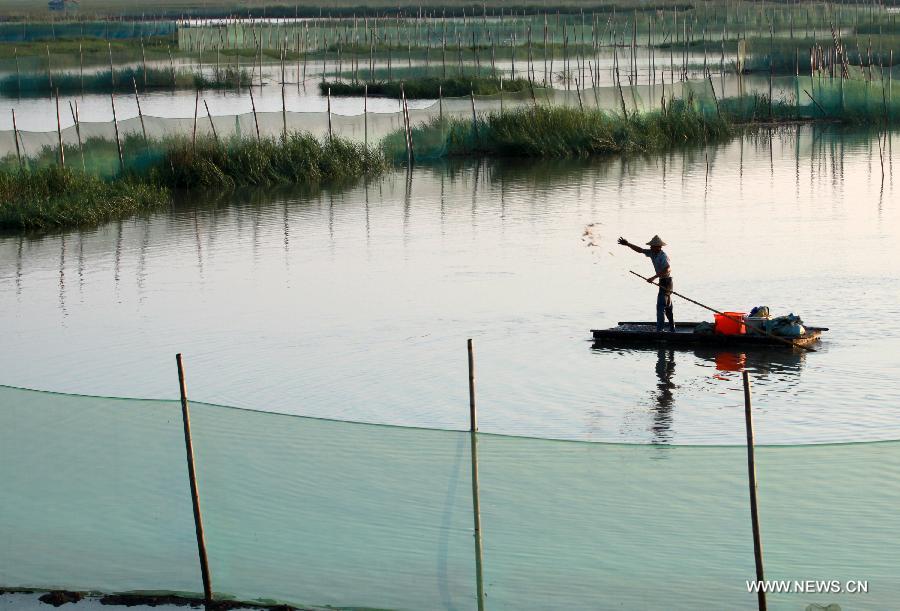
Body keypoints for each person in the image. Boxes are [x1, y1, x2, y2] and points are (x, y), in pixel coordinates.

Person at [617, 235, 675, 332]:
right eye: (651, 246)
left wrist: (653, 278)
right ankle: (672, 328)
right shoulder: (652, 253)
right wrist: (627, 244)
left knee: (661, 306)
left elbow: (667, 268)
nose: (651, 247)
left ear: (659, 247)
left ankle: (660, 330)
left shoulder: (662, 256)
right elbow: (640, 250)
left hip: (667, 282)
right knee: (667, 305)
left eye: (653, 246)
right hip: (663, 281)